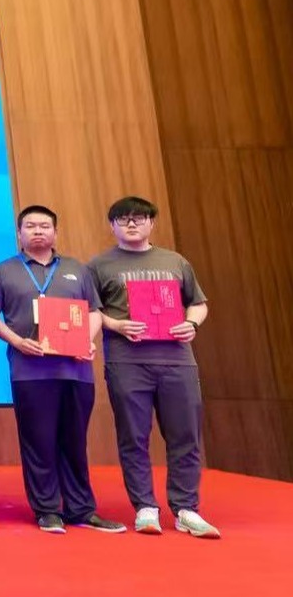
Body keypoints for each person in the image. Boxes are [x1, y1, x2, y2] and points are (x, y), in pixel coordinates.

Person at [0, 205, 125, 533]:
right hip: (30, 371)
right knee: (39, 441)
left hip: (76, 371)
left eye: (44, 226)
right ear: (19, 233)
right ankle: (47, 509)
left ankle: (81, 509)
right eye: (30, 226)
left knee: (75, 441)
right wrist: (17, 341)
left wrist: (87, 340)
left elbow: (94, 311)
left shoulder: (77, 269)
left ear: (55, 232)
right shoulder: (3, 272)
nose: (38, 231)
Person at [87, 196, 218, 539]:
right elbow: (91, 310)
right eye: (124, 219)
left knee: (185, 435)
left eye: (139, 218)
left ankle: (186, 508)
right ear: (112, 225)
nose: (132, 224)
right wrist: (116, 325)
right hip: (127, 361)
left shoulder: (175, 261)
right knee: (134, 435)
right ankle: (145, 506)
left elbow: (199, 304)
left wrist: (192, 323)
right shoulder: (99, 265)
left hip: (177, 359)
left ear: (151, 223)